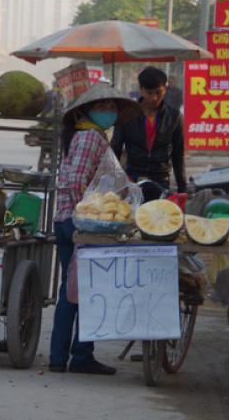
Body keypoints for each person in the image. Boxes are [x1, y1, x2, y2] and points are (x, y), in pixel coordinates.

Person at [50, 83, 141, 375]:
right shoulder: (90, 137)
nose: (109, 112)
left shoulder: (86, 135)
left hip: (67, 220)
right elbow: (76, 181)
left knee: (72, 290)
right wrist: (87, 215)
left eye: (113, 108)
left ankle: (63, 356)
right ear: (87, 110)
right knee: (81, 291)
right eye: (103, 107)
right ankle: (78, 356)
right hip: (79, 224)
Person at [111, 66, 186, 196]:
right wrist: (112, 182)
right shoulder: (126, 115)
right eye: (149, 93)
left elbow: (178, 155)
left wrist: (182, 189)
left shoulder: (174, 117)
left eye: (158, 92)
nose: (154, 98)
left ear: (165, 89)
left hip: (161, 180)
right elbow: (115, 149)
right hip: (132, 179)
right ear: (141, 90)